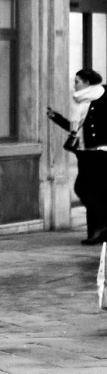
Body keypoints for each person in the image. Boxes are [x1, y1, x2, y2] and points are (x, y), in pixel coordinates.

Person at [52, 68, 107, 244]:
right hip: (84, 153)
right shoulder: (80, 101)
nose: (74, 84)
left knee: (84, 189)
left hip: (100, 152)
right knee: (94, 191)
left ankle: (100, 227)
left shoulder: (103, 96)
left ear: (87, 82)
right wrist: (56, 118)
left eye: (77, 81)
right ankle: (95, 233)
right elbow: (75, 128)